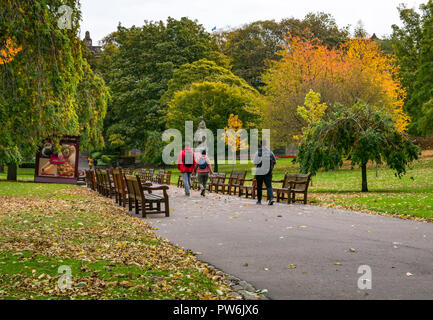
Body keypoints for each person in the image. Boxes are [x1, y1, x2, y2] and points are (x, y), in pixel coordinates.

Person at [253, 140, 277, 205]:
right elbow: (275, 161)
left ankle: (259, 201)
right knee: (269, 185)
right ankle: (271, 199)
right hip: (268, 171)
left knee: (259, 186)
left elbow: (254, 162)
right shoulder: (270, 152)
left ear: (260, 144)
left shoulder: (258, 152)